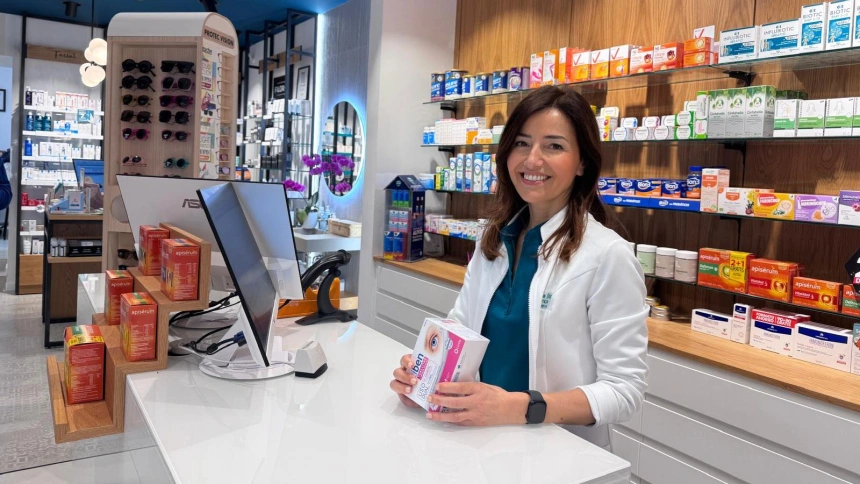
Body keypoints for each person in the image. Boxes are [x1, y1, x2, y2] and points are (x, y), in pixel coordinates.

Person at [390, 86, 648, 448]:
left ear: (583, 163)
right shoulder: (493, 239)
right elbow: (459, 331)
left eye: (554, 146)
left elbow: (624, 391)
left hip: (560, 457)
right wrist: (423, 375)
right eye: (522, 143)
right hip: (481, 441)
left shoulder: (608, 255)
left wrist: (516, 407)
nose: (532, 160)